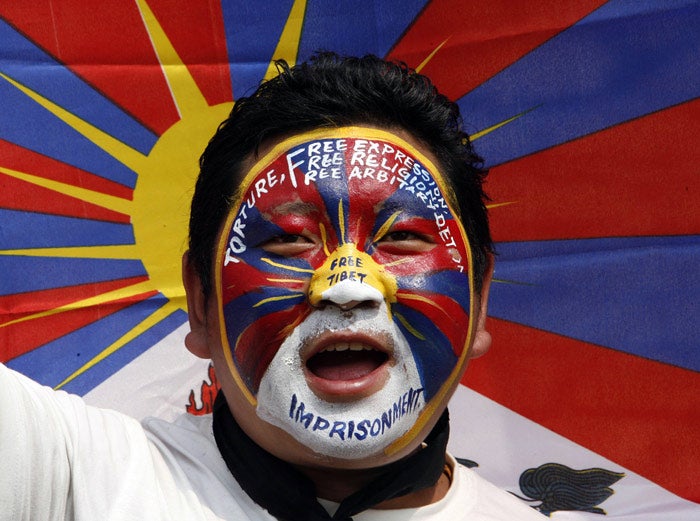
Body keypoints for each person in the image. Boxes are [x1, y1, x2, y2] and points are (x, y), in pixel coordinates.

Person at [0, 53, 543, 520]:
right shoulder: (72, 481)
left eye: (401, 237)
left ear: (480, 295)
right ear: (201, 303)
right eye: (289, 241)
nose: (349, 287)